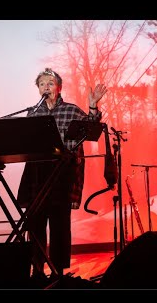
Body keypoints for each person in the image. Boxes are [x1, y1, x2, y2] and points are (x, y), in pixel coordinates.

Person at [17, 67, 107, 281]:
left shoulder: (71, 110)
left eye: (50, 83)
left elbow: (92, 129)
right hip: (37, 170)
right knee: (36, 221)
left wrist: (93, 106)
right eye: (42, 84)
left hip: (62, 171)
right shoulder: (33, 113)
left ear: (58, 87)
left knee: (59, 222)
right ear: (38, 89)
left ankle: (58, 270)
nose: (46, 87)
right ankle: (37, 270)